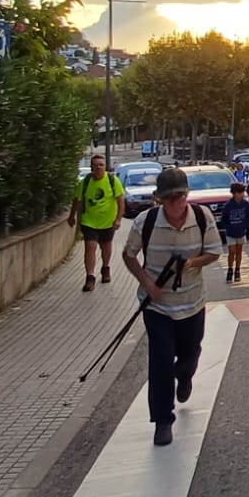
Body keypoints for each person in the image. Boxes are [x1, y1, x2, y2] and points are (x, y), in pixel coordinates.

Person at [122, 168, 219, 446]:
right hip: (157, 307)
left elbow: (213, 252)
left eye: (181, 197)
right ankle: (163, 421)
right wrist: (147, 282)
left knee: (190, 353)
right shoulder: (146, 222)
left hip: (192, 302)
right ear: (160, 199)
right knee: (161, 362)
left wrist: (191, 263)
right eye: (171, 199)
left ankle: (185, 377)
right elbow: (128, 255)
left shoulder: (201, 217)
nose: (177, 204)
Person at [67, 154, 124, 292]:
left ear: (105, 167)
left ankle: (105, 268)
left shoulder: (113, 181)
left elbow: (121, 201)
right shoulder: (85, 182)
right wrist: (72, 216)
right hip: (89, 221)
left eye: (101, 165)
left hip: (107, 221)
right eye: (95, 165)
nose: (98, 168)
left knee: (106, 247)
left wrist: (118, 219)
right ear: (91, 167)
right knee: (90, 247)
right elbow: (77, 200)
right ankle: (90, 277)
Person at [217, 182, 249, 283]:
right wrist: (228, 228)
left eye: (242, 192)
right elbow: (224, 219)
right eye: (240, 192)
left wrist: (246, 227)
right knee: (232, 251)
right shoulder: (228, 205)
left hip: (241, 231)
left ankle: (237, 270)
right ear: (234, 193)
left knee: (239, 252)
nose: (242, 194)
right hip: (231, 232)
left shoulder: (245, 204)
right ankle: (230, 270)